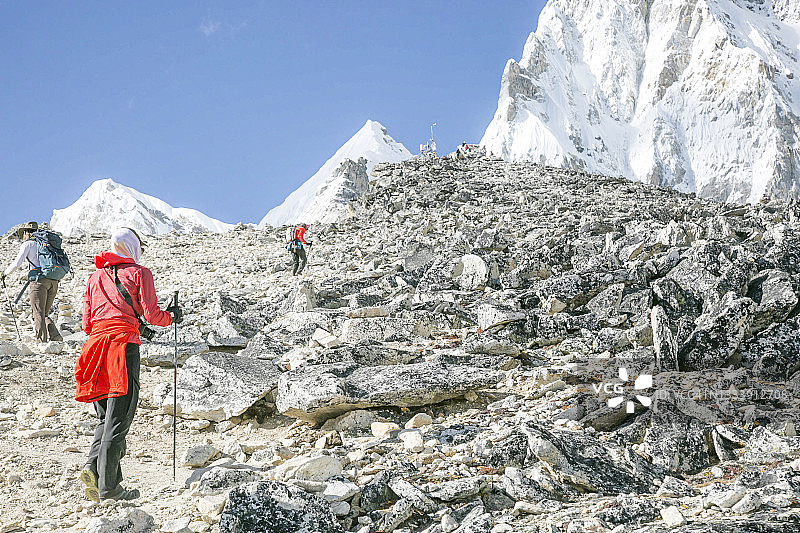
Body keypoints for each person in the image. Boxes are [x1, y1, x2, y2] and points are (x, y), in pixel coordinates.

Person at [74, 227, 182, 502]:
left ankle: (93, 468)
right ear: (133, 246)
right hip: (122, 348)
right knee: (120, 417)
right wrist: (172, 317)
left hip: (94, 350)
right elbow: (152, 315)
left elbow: (86, 324)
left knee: (105, 418)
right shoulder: (139, 273)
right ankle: (110, 489)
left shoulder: (94, 277)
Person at [1, 221, 62, 342]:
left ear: (25, 233)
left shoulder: (28, 244)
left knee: (38, 313)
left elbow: (17, 263)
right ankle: (55, 336)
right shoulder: (47, 243)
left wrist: (4, 274)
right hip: (54, 280)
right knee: (44, 313)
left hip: (39, 282)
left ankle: (41, 341)